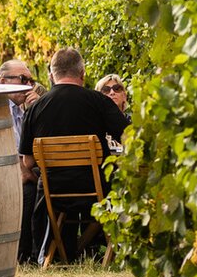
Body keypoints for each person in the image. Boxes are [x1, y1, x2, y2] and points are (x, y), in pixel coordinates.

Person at [19, 47, 129, 262]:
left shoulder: (35, 108)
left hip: (53, 194)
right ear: (83, 74)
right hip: (97, 192)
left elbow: (28, 161)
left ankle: (56, 255)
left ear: (52, 75)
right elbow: (129, 139)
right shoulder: (100, 102)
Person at [0, 59, 38, 264]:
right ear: (3, 81)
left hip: (24, 171)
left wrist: (35, 111)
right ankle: (22, 256)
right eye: (23, 79)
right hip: (1, 174)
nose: (29, 86)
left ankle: (44, 252)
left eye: (30, 80)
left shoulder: (23, 110)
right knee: (30, 191)